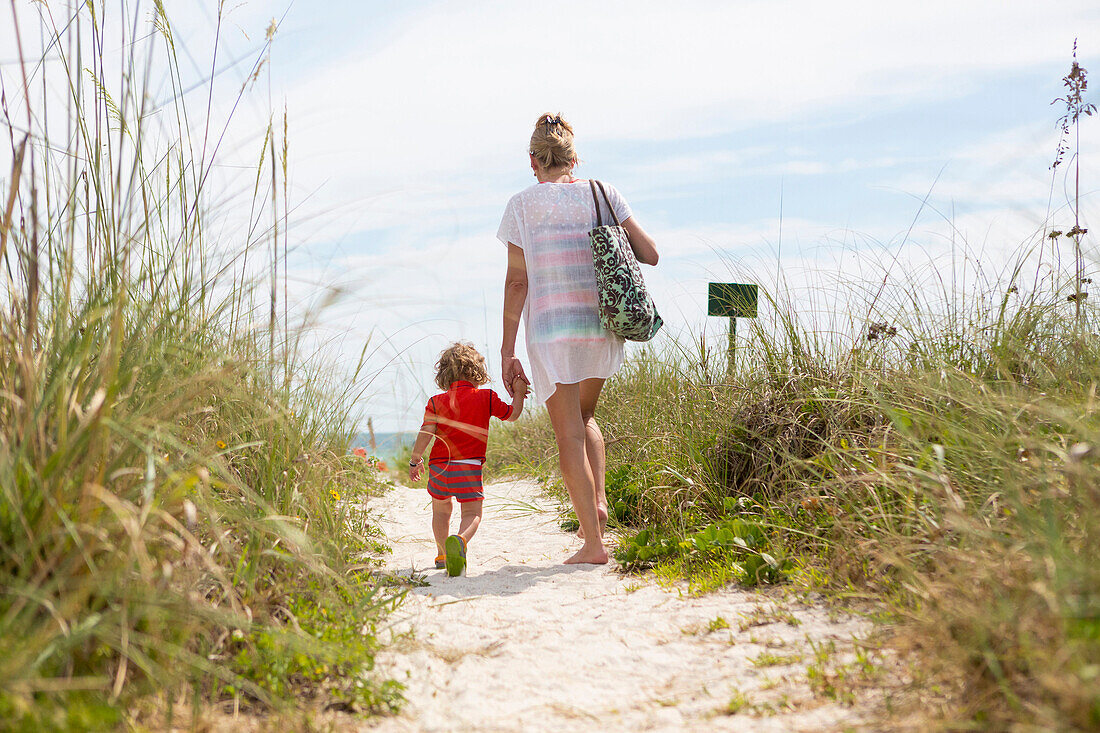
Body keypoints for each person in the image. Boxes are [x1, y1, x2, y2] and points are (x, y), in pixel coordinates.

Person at [496, 113, 659, 565]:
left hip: (551, 333)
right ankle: (599, 502)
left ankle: (593, 543)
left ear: (533, 161)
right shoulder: (603, 193)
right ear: (574, 158)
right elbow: (651, 254)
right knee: (586, 416)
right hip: (601, 326)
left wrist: (508, 350)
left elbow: (516, 283)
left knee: (568, 431)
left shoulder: (521, 206)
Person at [408, 342, 528, 576]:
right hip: (469, 467)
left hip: (439, 468)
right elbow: (512, 414)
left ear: (444, 374)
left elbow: (426, 432)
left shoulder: (435, 402)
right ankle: (460, 541)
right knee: (472, 513)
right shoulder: (487, 397)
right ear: (477, 371)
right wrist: (520, 392)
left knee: (441, 511)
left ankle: (443, 554)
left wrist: (415, 460)